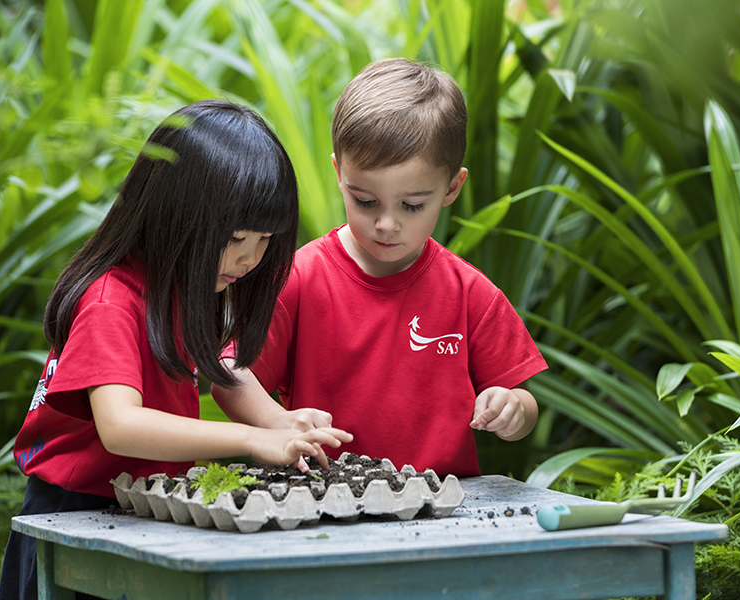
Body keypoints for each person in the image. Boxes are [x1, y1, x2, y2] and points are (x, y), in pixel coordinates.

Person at [0, 100, 352, 600]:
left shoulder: (185, 286)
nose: (251, 258)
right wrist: (249, 440)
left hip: (137, 513)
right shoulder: (111, 301)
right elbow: (122, 427)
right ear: (175, 213)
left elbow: (221, 371)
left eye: (266, 240)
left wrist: (278, 421)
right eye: (235, 237)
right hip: (71, 522)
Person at [213, 58, 547, 479]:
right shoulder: (299, 277)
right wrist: (277, 423)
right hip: (322, 498)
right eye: (365, 201)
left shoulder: (469, 292)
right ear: (339, 173)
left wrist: (512, 408)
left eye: (411, 205)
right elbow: (230, 373)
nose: (386, 224)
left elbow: (524, 403)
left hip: (444, 507)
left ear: (452, 188)